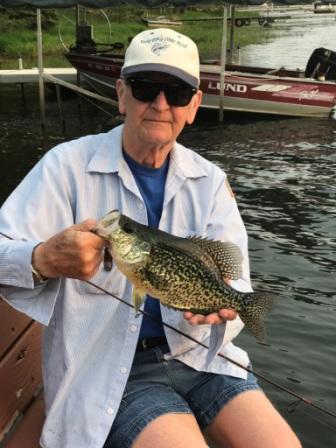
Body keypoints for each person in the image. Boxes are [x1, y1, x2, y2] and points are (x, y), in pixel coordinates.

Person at [0, 28, 301, 448]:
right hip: (117, 374)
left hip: (204, 357)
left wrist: (226, 307)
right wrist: (41, 258)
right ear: (122, 94)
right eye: (146, 88)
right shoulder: (64, 167)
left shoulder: (210, 182)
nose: (160, 104)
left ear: (194, 106)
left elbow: (237, 281)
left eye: (177, 92)